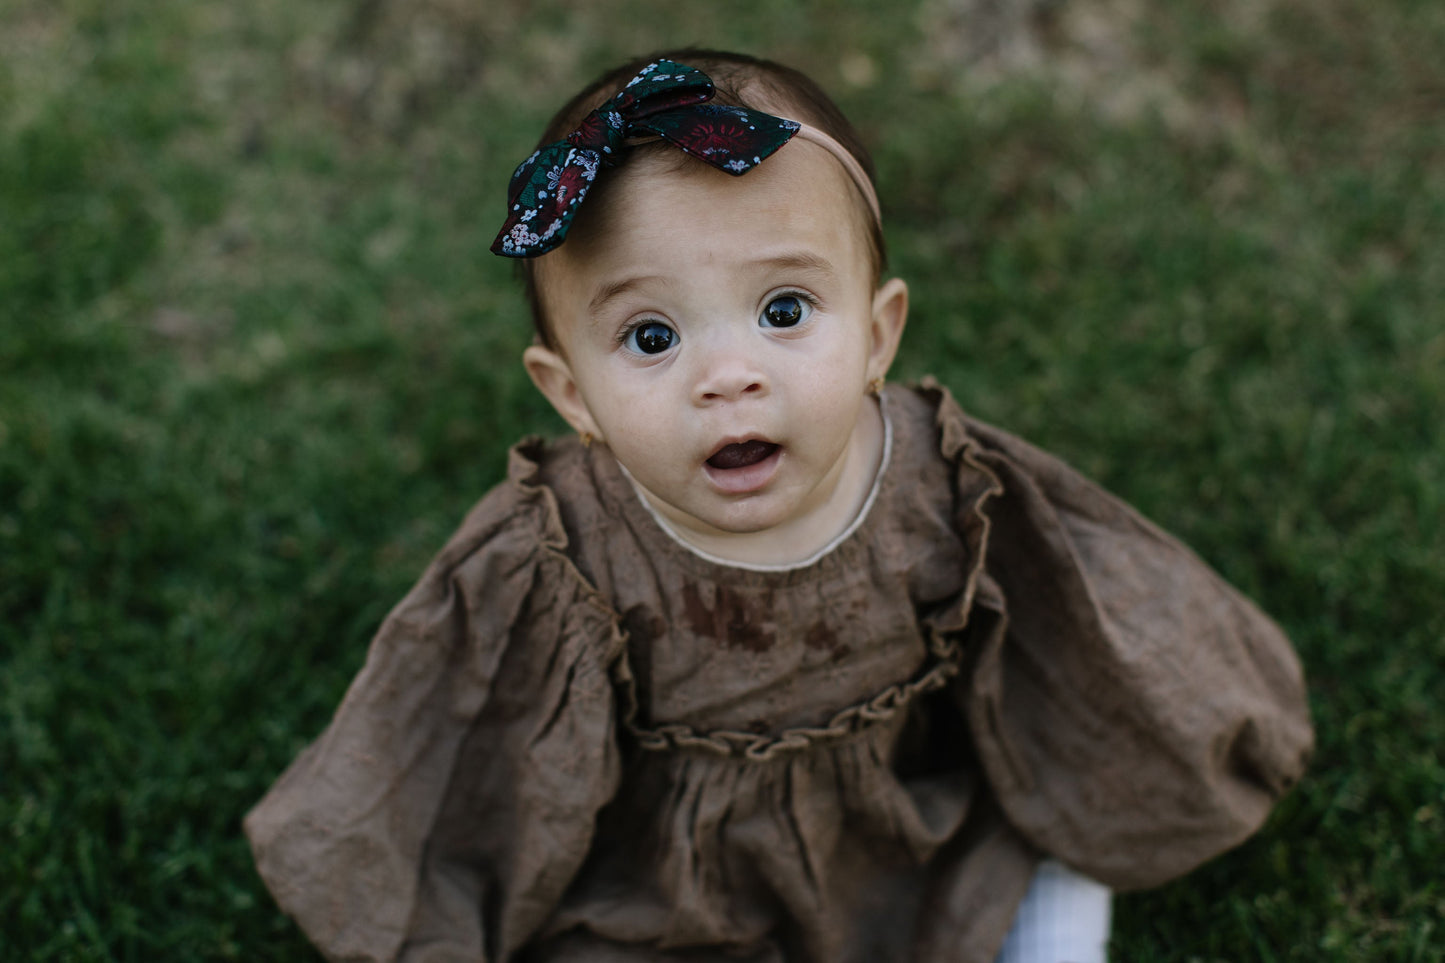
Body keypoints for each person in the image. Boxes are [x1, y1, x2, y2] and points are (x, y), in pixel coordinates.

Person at [245, 50, 1313, 963]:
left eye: (784, 310)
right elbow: (467, 735)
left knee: (1039, 877)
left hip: (907, 833)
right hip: (672, 890)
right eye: (651, 338)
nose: (728, 376)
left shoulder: (945, 484)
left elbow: (1075, 617)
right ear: (569, 393)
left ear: (878, 335)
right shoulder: (558, 557)